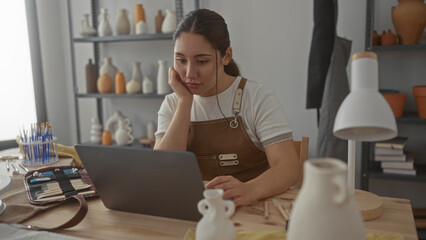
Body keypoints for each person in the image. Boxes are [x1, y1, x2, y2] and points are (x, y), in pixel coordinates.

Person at [154, 9, 299, 207]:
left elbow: (288, 168)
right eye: (181, 60)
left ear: (227, 56)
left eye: (202, 61)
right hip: (195, 214)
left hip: (253, 213)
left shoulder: (256, 97)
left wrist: (249, 190)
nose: (189, 73)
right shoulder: (173, 104)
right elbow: (162, 172)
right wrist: (185, 102)